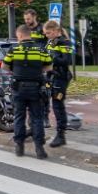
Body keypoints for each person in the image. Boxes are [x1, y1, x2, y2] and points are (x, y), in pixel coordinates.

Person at [4, 24, 53, 159]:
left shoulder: (13, 49)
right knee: (37, 118)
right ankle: (39, 148)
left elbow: (5, 66)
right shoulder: (41, 50)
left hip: (18, 89)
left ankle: (19, 146)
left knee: (19, 117)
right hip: (36, 89)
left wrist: (16, 70)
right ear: (29, 35)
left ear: (20, 35)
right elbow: (49, 67)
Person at [44, 20, 73, 148]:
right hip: (51, 76)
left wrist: (52, 58)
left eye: (49, 33)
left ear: (56, 30)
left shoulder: (65, 43)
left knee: (57, 105)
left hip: (61, 77)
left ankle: (61, 135)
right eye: (45, 33)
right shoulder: (50, 43)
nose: (47, 35)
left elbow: (67, 61)